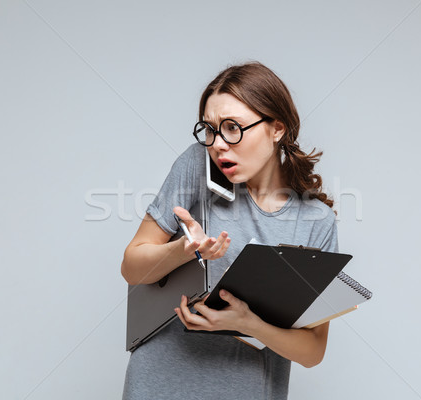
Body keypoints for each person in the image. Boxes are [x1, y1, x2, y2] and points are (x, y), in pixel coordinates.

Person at [121, 61, 339, 400]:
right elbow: (132, 267)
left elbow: (312, 351)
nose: (219, 144)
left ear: (276, 128)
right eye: (210, 129)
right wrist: (182, 249)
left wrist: (248, 323)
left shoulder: (316, 222)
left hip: (247, 389)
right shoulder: (196, 165)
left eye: (232, 128)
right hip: (159, 383)